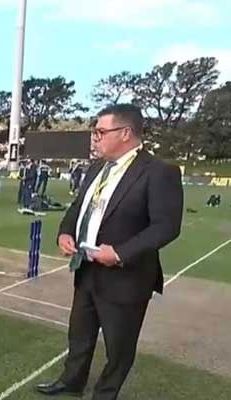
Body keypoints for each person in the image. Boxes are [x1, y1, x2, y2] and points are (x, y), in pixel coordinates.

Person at [35, 104, 183, 400]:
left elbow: (166, 226)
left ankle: (105, 393)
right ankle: (72, 381)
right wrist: (65, 232)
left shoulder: (158, 172)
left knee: (119, 346)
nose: (95, 138)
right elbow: (78, 209)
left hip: (126, 278)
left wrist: (119, 253)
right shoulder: (96, 169)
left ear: (126, 133)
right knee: (79, 335)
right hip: (87, 269)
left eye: (101, 131)